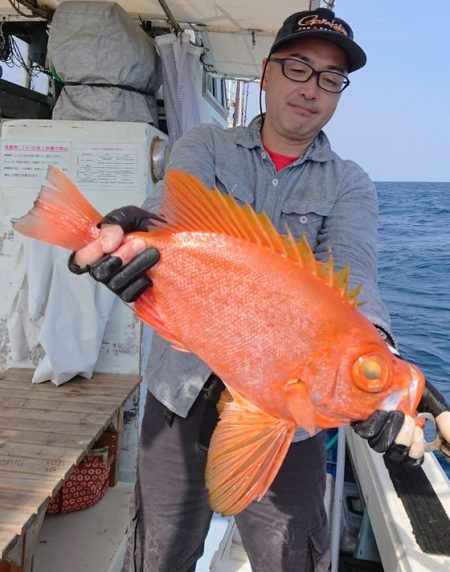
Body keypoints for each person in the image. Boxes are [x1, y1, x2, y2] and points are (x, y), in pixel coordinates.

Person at [69, 7, 450, 572]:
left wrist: (380, 369)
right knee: (162, 548)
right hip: (179, 395)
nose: (311, 88)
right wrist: (134, 233)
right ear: (267, 74)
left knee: (290, 555)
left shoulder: (350, 184)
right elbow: (170, 213)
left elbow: (356, 279)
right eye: (298, 68)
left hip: (284, 412)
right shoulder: (206, 146)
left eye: (330, 78)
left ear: (340, 93)